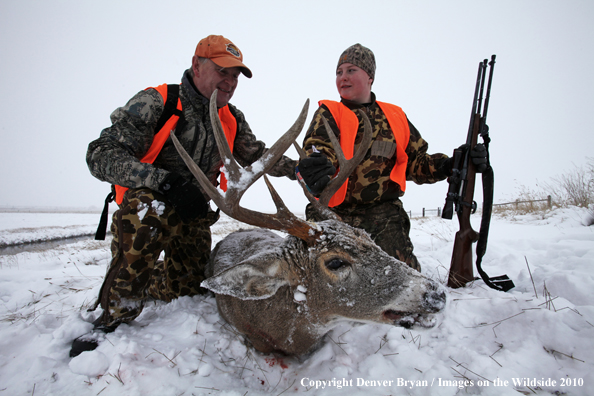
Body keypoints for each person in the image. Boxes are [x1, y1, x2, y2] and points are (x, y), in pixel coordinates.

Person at [72, 35, 297, 357]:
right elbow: (101, 154)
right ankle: (113, 318)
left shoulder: (230, 117)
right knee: (147, 213)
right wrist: (165, 182)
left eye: (235, 76)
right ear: (197, 65)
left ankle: (148, 282)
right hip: (151, 206)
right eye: (223, 71)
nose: (230, 82)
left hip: (193, 212)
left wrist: (299, 169)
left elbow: (255, 155)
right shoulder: (157, 102)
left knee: (188, 289)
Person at [298, 43, 488, 271]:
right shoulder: (328, 113)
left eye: (351, 70)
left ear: (370, 77)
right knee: (316, 275)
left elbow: (416, 162)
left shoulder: (394, 117)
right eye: (339, 72)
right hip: (332, 213)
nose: (343, 77)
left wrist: (450, 164)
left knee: (403, 278)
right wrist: (316, 167)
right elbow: (317, 149)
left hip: (382, 214)